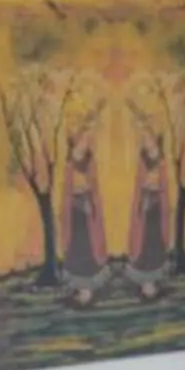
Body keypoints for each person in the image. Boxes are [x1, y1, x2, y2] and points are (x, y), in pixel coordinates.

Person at [62, 121, 110, 306]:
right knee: (78, 244)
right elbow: (68, 191)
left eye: (85, 142)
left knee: (88, 245)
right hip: (76, 210)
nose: (83, 144)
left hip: (86, 210)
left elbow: (93, 187)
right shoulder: (70, 165)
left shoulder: (89, 164)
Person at [124, 124, 171, 299]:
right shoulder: (145, 162)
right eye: (151, 289)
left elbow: (161, 185)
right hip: (147, 206)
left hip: (154, 208)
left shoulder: (159, 163)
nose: (148, 288)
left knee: (152, 240)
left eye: (147, 290)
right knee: (146, 240)